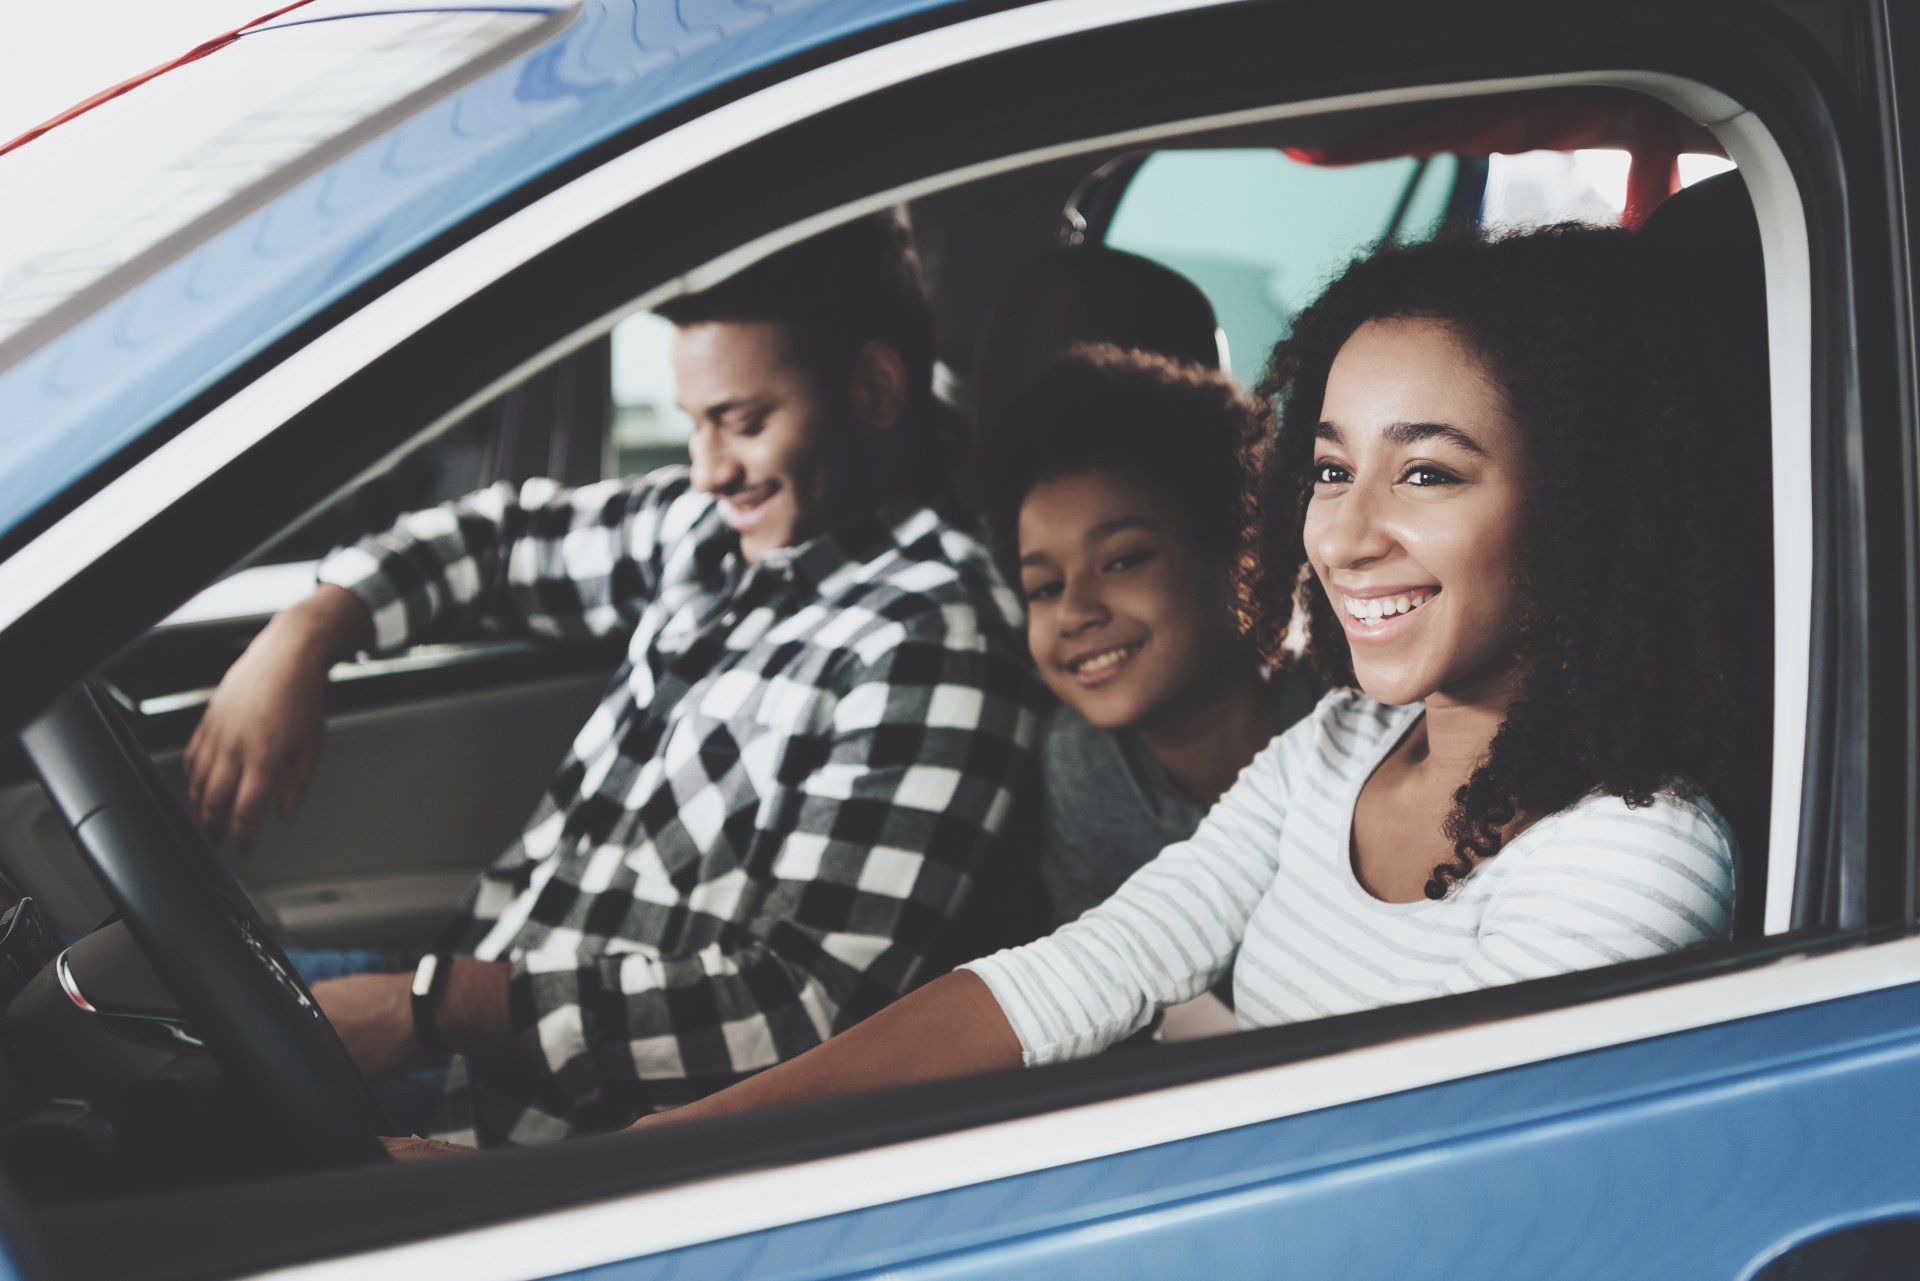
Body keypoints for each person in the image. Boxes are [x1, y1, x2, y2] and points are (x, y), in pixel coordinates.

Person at [625, 224, 1766, 1127]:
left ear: (1581, 507)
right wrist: (682, 1143)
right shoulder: (1339, 749)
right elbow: (1088, 970)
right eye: (1329, 468)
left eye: (1425, 473)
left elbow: (1430, 1186)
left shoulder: (1634, 851)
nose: (1346, 534)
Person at [182, 212, 1041, 1147]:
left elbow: (798, 1011)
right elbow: (495, 542)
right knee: (135, 1004)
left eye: (744, 422)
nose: (708, 469)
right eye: (693, 424)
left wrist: (435, 1005)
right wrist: (309, 629)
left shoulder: (931, 636)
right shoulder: (710, 530)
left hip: (552, 1130)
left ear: (875, 388)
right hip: (466, 1028)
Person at [994, 344, 1319, 928]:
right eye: (1043, 587)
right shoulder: (1080, 765)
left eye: (1122, 561)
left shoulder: (1343, 715)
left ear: (1240, 558)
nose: (1073, 612)